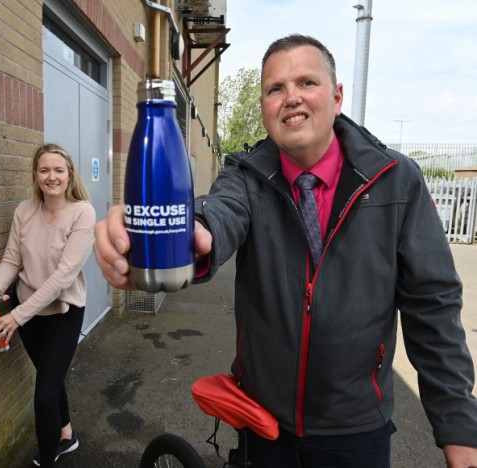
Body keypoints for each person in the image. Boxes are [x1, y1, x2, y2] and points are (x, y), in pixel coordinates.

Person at [94, 35, 477, 467]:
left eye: (306, 82)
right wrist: (189, 237)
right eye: (276, 88)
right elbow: (219, 213)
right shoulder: (245, 175)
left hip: (357, 430)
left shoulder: (396, 179)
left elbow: (433, 305)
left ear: (336, 96)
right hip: (264, 424)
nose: (291, 97)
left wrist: (459, 426)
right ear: (264, 107)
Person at [0, 143, 96, 467]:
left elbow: (62, 277)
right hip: (27, 311)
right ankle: (66, 434)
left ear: (69, 173)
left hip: (63, 312)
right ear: (35, 174)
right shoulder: (24, 211)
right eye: (44, 170)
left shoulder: (83, 212)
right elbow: (11, 259)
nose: (52, 176)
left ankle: (47, 460)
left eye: (58, 170)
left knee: (44, 395)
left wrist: (15, 317)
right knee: (50, 378)